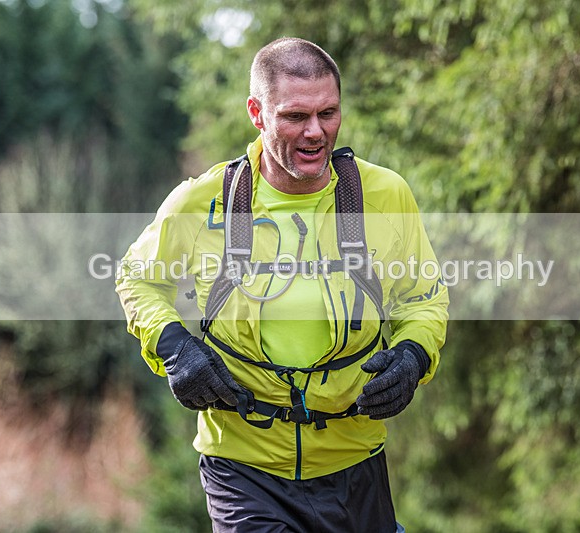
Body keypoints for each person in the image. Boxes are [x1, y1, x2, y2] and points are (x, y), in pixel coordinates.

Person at [116, 37, 448, 532]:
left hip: (355, 463)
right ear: (257, 112)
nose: (316, 132)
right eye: (296, 116)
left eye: (329, 113)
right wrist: (176, 347)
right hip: (244, 471)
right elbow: (137, 278)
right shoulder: (204, 202)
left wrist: (412, 357)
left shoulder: (383, 195)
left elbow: (424, 299)